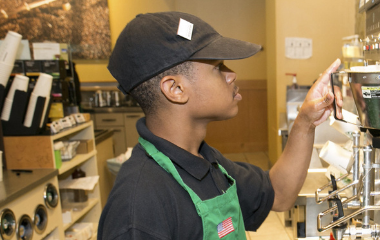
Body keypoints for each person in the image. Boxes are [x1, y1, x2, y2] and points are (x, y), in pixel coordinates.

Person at [98, 11, 340, 239]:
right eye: (217, 67)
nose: (231, 74)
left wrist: (306, 121)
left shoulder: (204, 160)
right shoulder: (137, 209)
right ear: (176, 89)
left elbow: (279, 194)